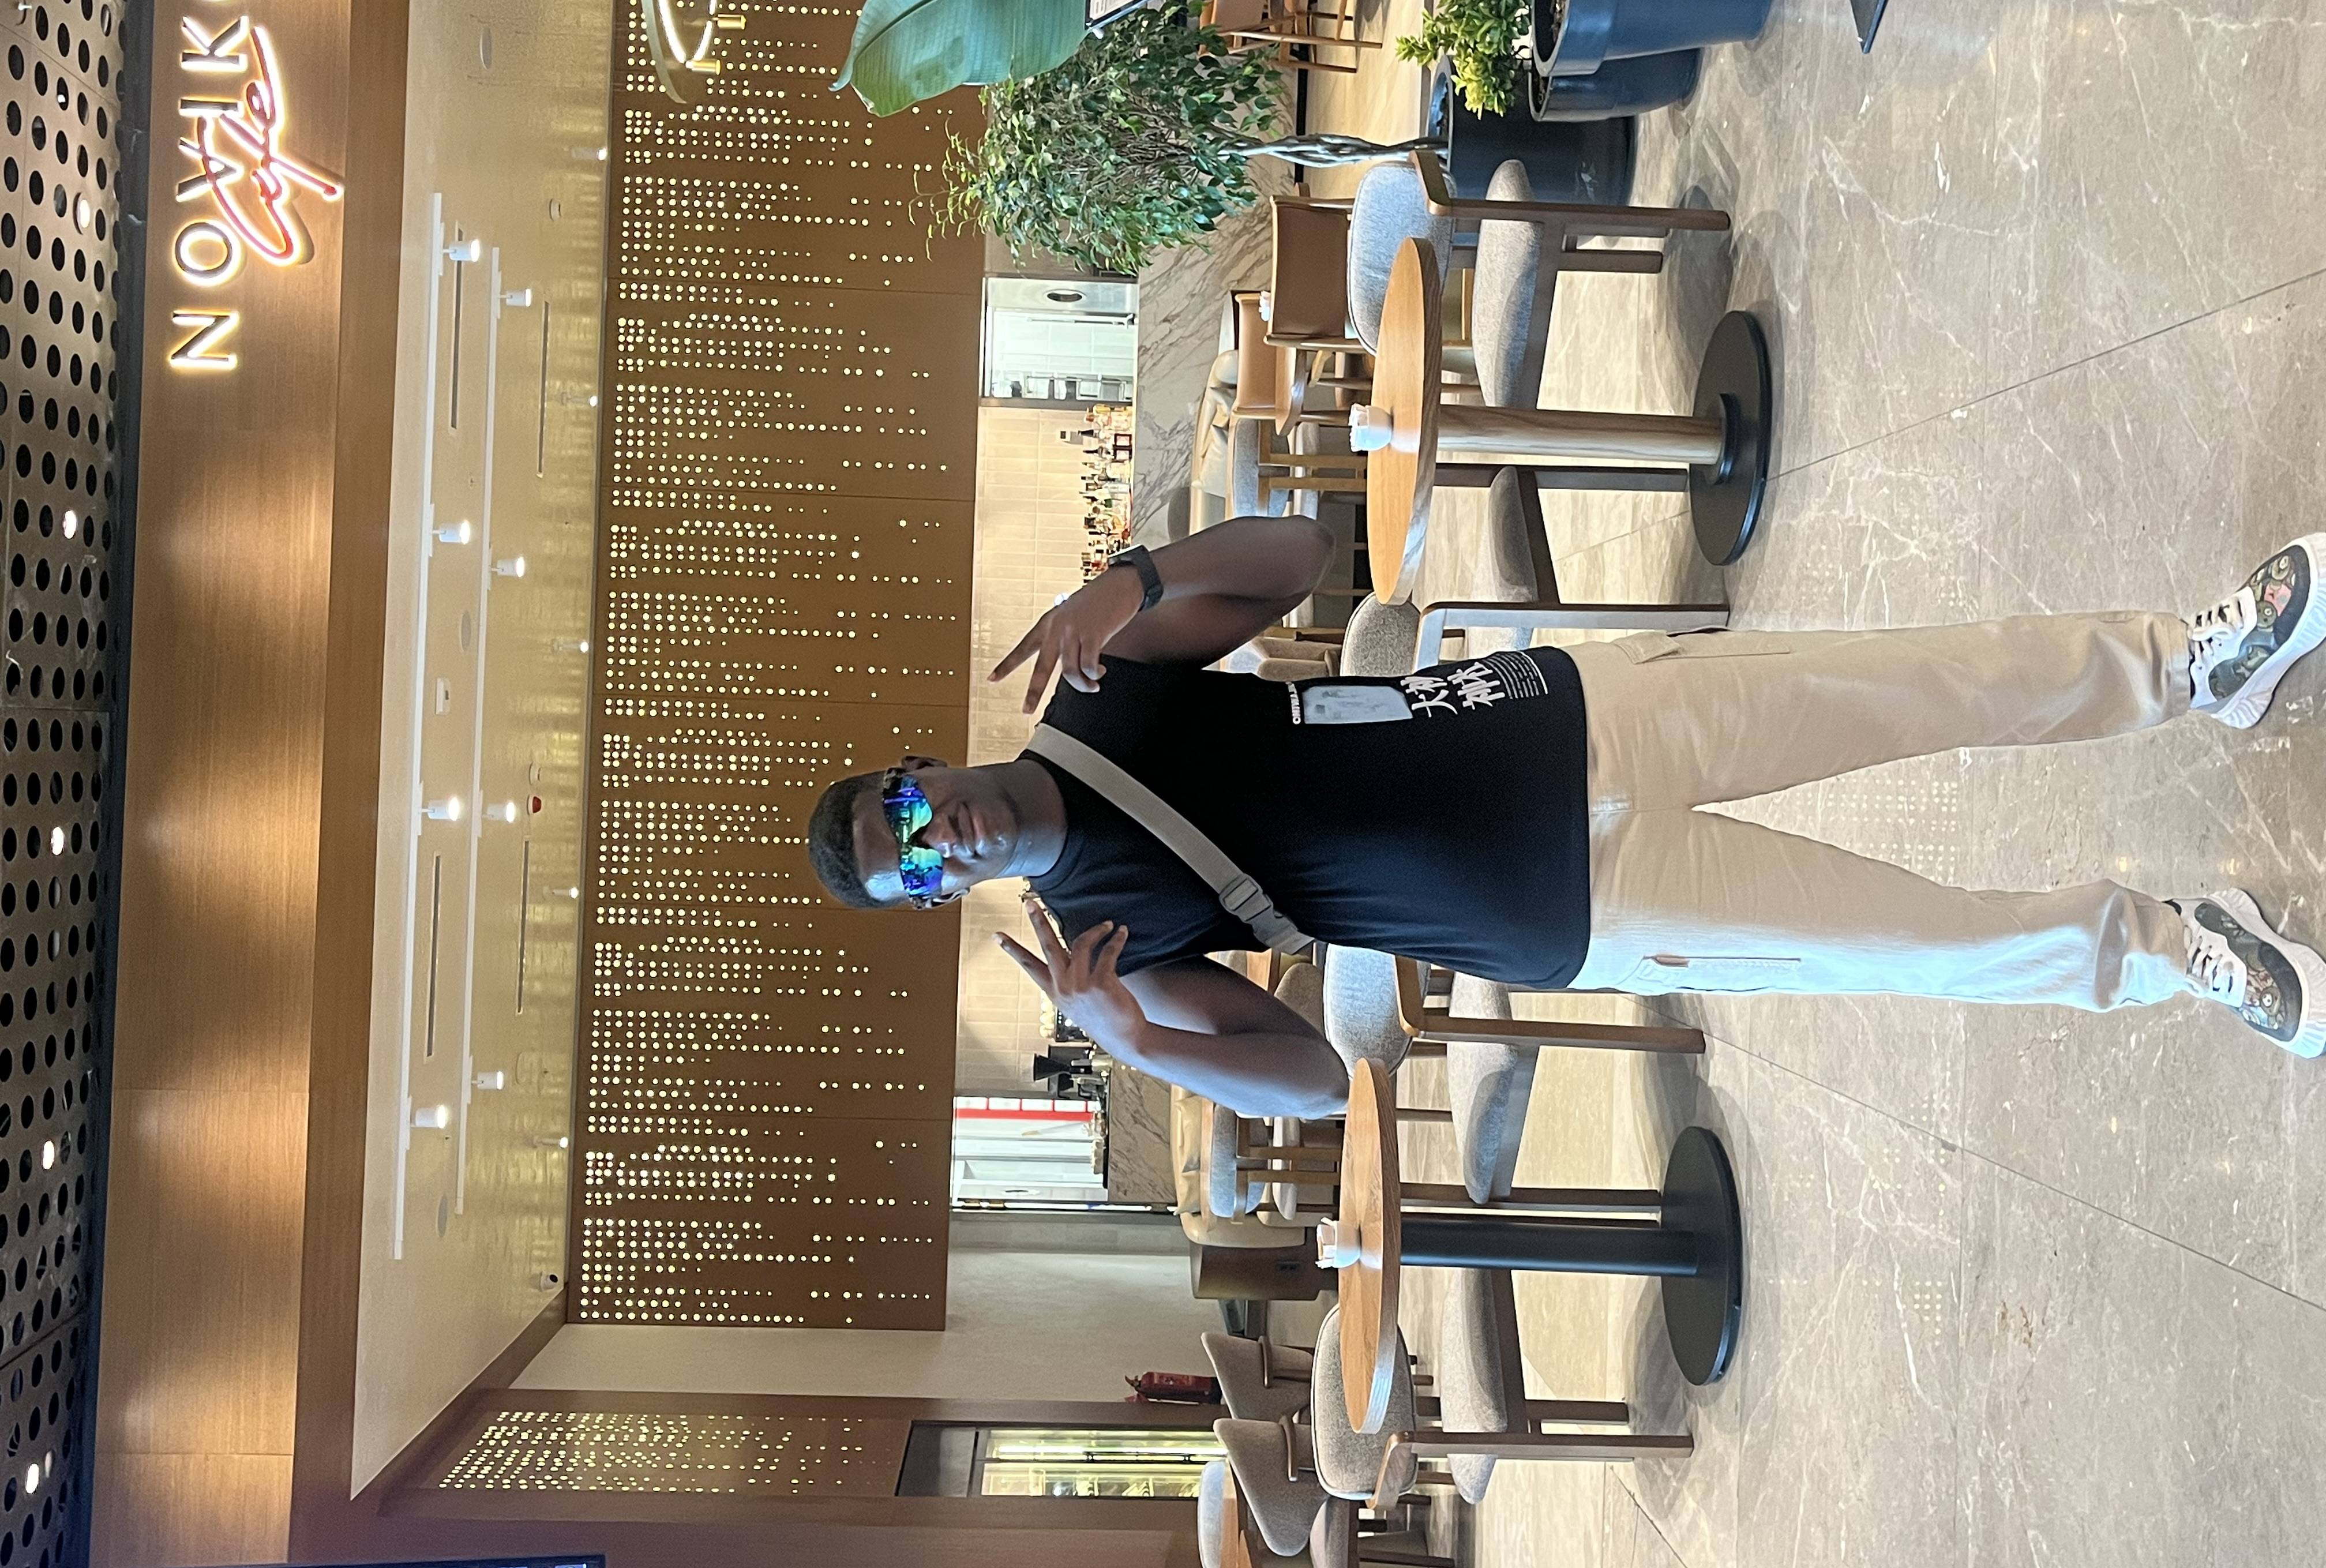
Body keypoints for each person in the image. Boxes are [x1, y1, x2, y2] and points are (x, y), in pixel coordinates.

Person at [805, 516, 2326, 1117]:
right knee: (1908, 944)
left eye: (907, 812)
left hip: (1570, 713)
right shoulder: (1104, 951)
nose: (941, 840)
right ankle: (2178, 954)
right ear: (936, 901)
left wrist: (1133, 579)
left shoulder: (1099, 688)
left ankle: (2195, 662)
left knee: (1910, 682)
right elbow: (1319, 1082)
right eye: (916, 871)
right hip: (1577, 913)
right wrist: (1140, 1042)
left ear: (917, 769)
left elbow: (1298, 558)